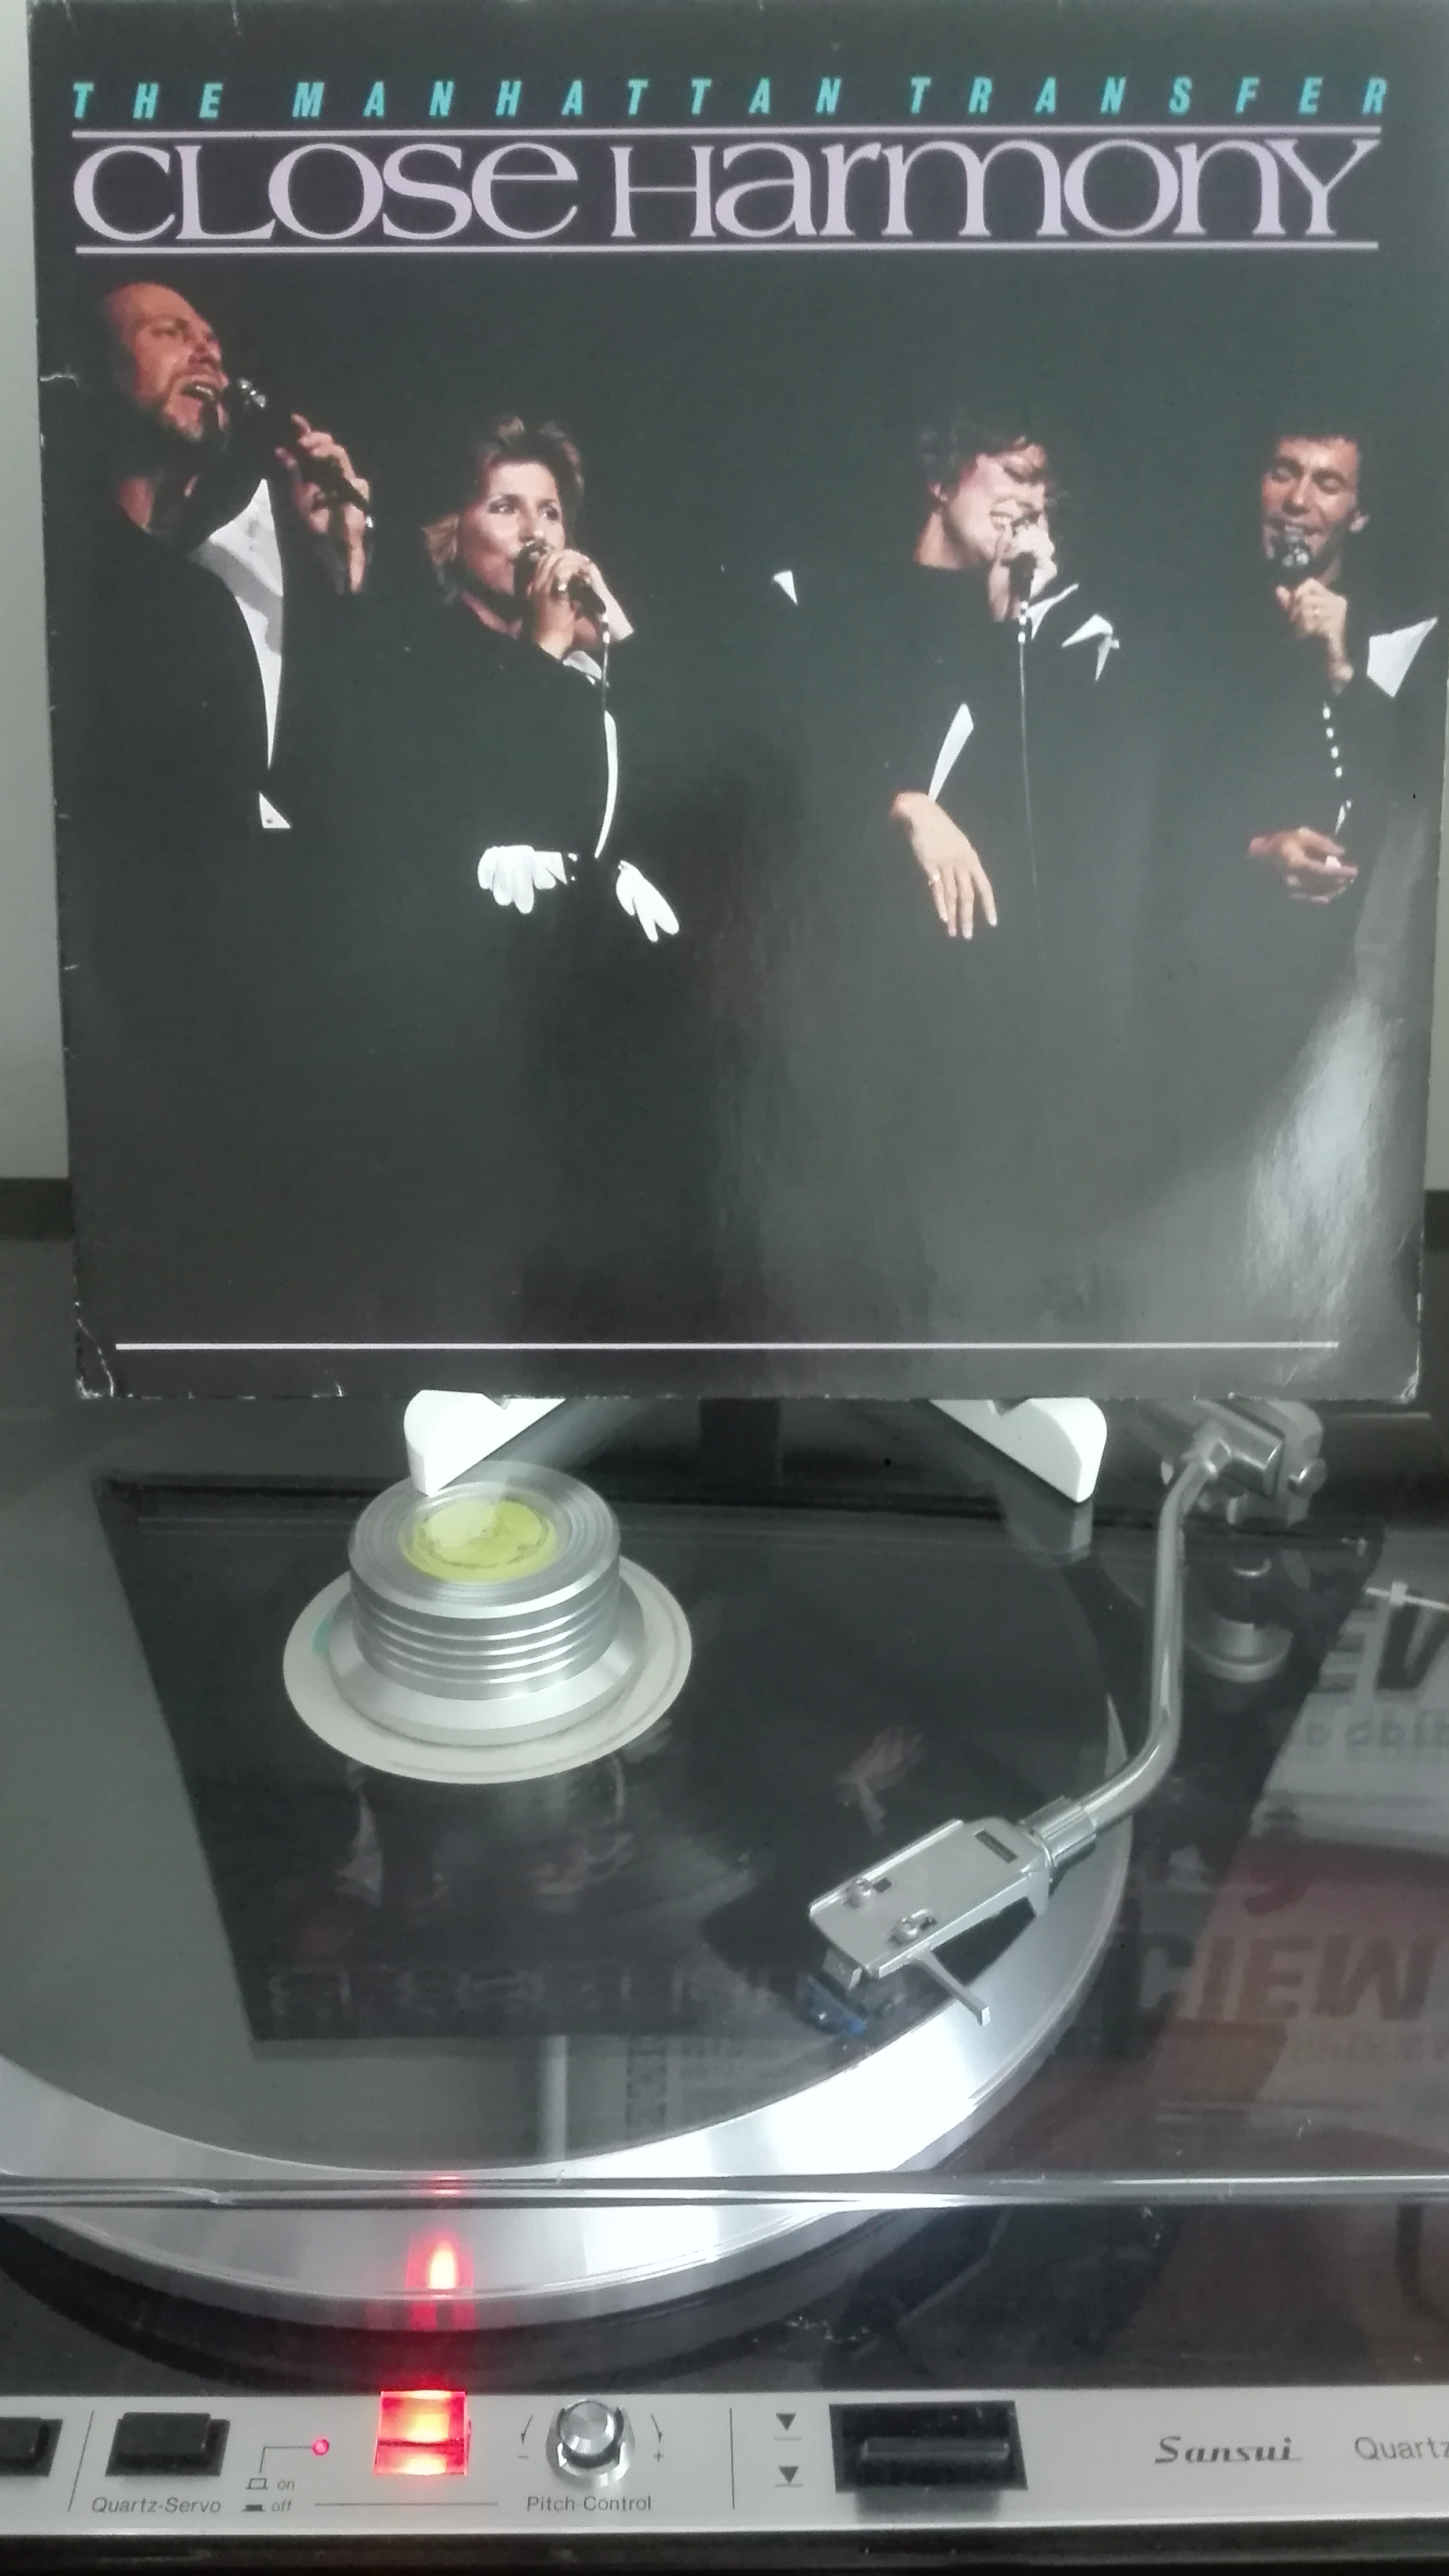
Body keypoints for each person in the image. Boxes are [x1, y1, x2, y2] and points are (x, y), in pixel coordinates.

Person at [745, 406, 1149, 1342]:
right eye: (1010, 471)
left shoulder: (1045, 638)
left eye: (1043, 482)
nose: (1029, 498)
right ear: (939, 480)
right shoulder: (831, 598)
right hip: (850, 979)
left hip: (976, 993)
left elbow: (1085, 794)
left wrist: (1027, 613)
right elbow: (785, 759)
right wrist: (902, 804)